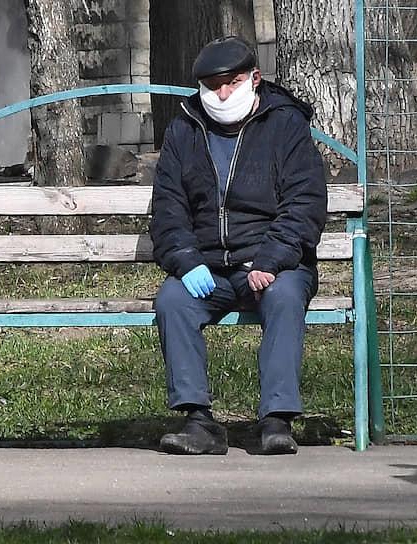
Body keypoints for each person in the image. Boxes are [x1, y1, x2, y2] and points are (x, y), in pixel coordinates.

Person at [150, 37, 328, 455]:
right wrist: (186, 260)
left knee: (284, 298)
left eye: (232, 82)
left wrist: (270, 260)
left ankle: (276, 420)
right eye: (213, 85)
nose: (223, 93)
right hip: (208, 269)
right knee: (173, 301)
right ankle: (198, 421)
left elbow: (304, 204)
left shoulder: (286, 126)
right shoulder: (183, 129)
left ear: (255, 78)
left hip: (276, 265)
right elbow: (168, 210)